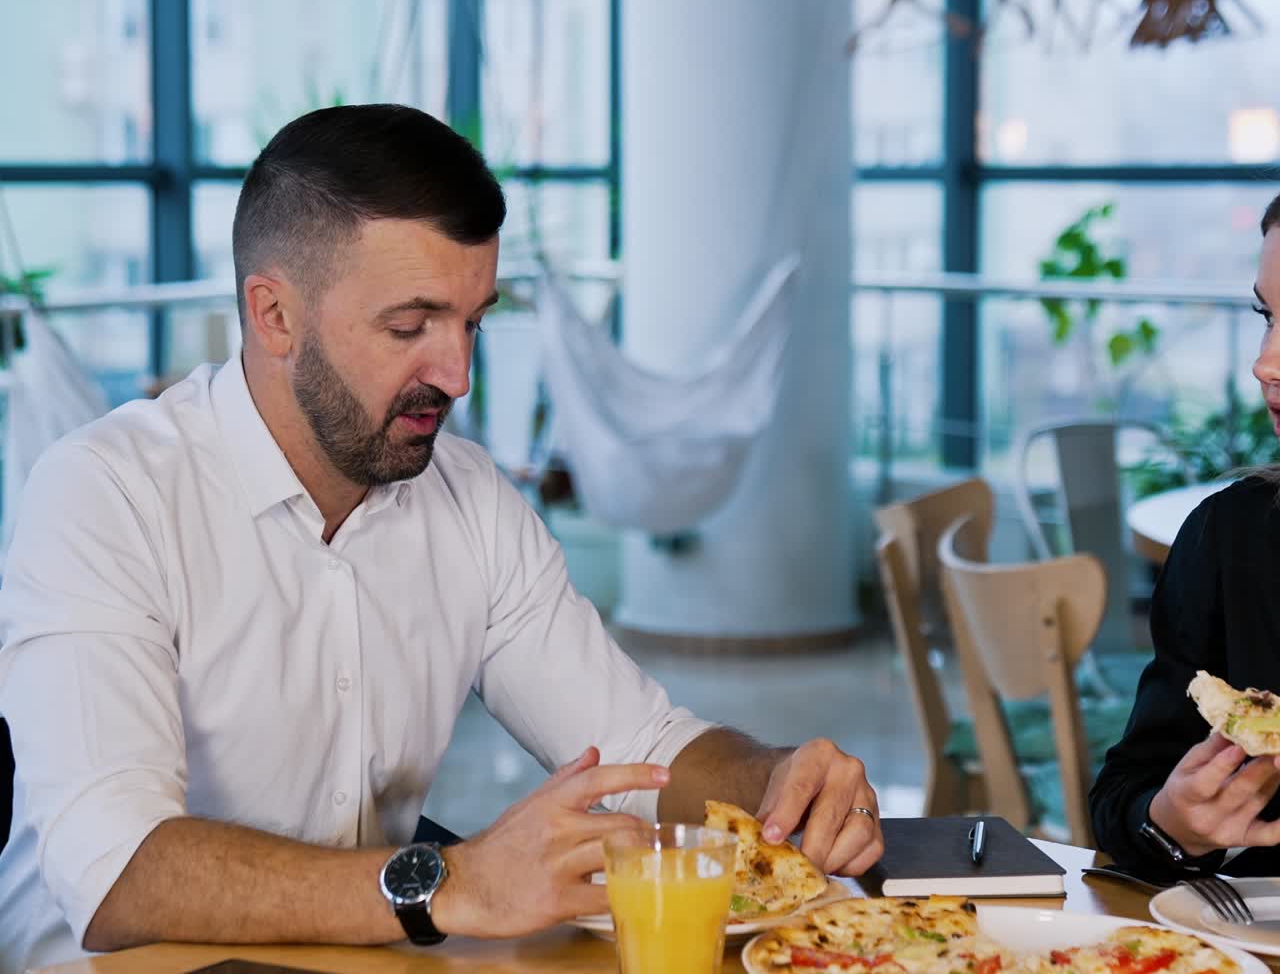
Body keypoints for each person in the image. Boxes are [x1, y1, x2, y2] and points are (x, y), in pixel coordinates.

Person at [0, 105, 882, 972]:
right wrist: (448, 885)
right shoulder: (104, 495)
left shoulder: (469, 500)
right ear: (274, 316)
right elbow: (113, 874)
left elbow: (641, 747)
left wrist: (772, 784)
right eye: (408, 327)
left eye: (473, 322)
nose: (456, 374)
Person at [1091, 189, 1280, 877]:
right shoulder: (1230, 541)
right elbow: (1124, 799)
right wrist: (1173, 825)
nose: (1266, 362)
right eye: (1267, 317)